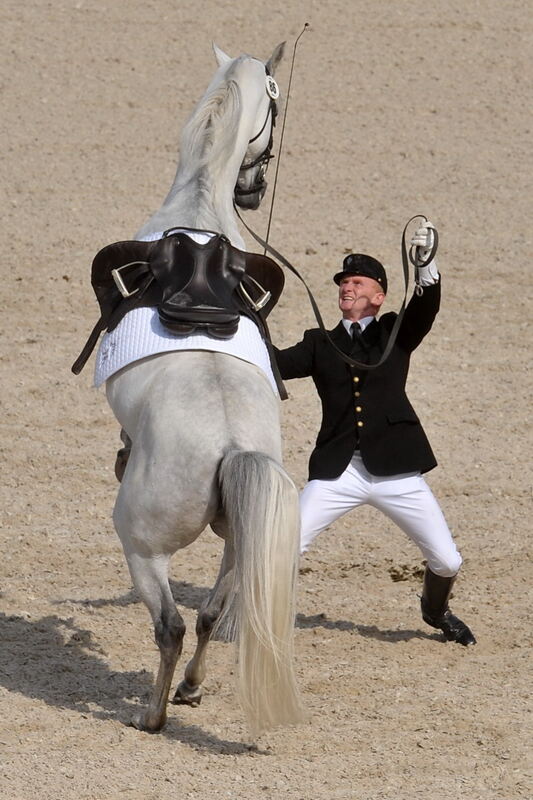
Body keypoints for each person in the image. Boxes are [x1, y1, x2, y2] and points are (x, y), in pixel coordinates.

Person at [274, 221, 476, 646]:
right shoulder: (319, 342)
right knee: (282, 547)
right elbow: (272, 364)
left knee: (446, 559)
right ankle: (260, 619)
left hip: (396, 470)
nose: (347, 287)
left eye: (357, 282)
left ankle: (435, 611)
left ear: (379, 295)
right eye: (344, 282)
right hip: (338, 471)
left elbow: (425, 308)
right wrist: (241, 315)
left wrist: (426, 266)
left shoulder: (393, 333)